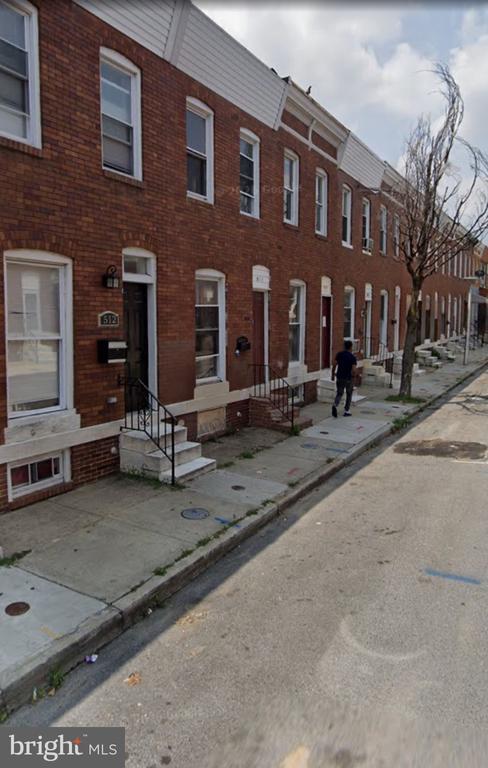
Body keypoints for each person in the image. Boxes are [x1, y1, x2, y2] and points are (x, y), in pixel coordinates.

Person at [331, 340, 357, 417]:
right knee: (349, 394)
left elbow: (334, 364)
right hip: (348, 378)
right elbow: (354, 370)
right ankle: (347, 410)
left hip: (340, 377)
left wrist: (333, 374)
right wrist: (354, 377)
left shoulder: (339, 354)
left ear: (344, 346)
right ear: (351, 347)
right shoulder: (352, 357)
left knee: (339, 393)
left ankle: (335, 405)